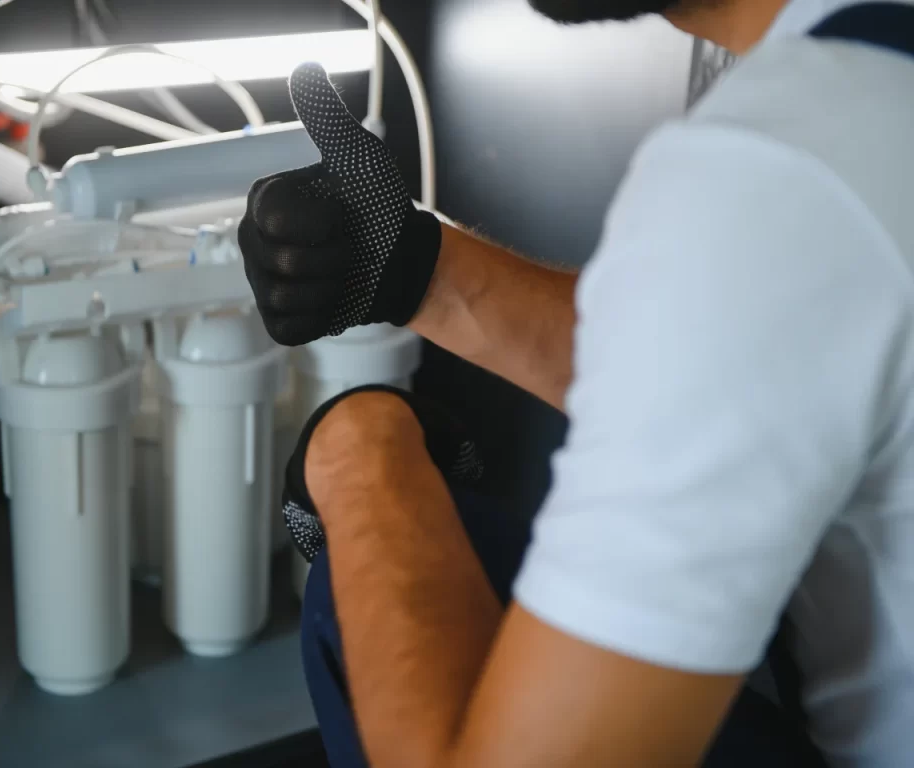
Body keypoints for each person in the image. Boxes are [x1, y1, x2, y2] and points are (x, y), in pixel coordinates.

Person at [237, 0, 914, 763]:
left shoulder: (782, 160)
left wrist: (360, 452)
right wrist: (417, 268)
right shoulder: (867, 101)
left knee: (364, 574)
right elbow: (758, 366)